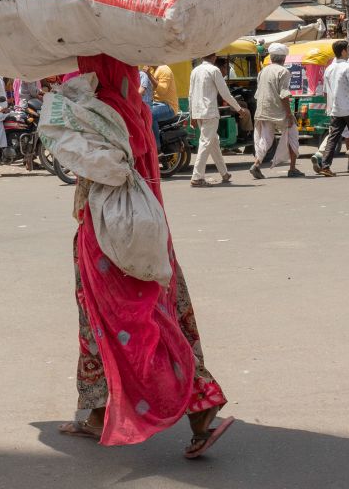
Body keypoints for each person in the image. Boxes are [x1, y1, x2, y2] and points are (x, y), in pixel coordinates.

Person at [59, 54, 233, 457]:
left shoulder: (102, 108)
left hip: (112, 235)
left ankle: (199, 401)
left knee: (136, 322)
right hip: (144, 230)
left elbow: (106, 166)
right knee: (140, 313)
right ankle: (100, 410)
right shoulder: (133, 102)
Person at [189, 53, 248, 187]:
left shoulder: (195, 71)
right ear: (214, 57)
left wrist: (192, 115)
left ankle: (224, 173)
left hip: (199, 112)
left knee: (213, 142)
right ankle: (197, 177)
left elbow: (190, 94)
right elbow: (225, 93)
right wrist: (239, 109)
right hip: (209, 112)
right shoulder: (214, 70)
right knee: (206, 142)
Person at [250, 43, 303, 180]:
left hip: (263, 109)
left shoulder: (263, 71)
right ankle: (292, 168)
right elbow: (284, 95)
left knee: (266, 139)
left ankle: (256, 164)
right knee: (293, 134)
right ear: (283, 59)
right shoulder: (283, 72)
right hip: (278, 110)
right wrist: (289, 114)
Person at [317, 39, 349, 177]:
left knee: (333, 138)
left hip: (335, 109)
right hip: (348, 107)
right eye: (348, 49)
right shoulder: (347, 67)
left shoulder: (329, 68)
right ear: (343, 51)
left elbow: (325, 91)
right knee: (333, 137)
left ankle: (325, 166)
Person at [214, 58, 254, 140]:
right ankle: (245, 135)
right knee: (246, 112)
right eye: (226, 68)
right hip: (219, 106)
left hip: (220, 103)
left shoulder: (217, 77)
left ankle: (241, 131)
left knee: (244, 104)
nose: (228, 70)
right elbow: (226, 96)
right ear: (221, 68)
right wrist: (239, 109)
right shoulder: (218, 78)